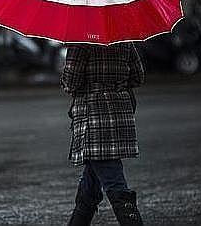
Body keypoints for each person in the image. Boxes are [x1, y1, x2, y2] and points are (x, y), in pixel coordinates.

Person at [60, 42, 145, 226]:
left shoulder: (81, 44)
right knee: (90, 186)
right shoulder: (124, 41)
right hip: (120, 115)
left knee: (114, 182)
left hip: (94, 120)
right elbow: (138, 77)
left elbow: (70, 83)